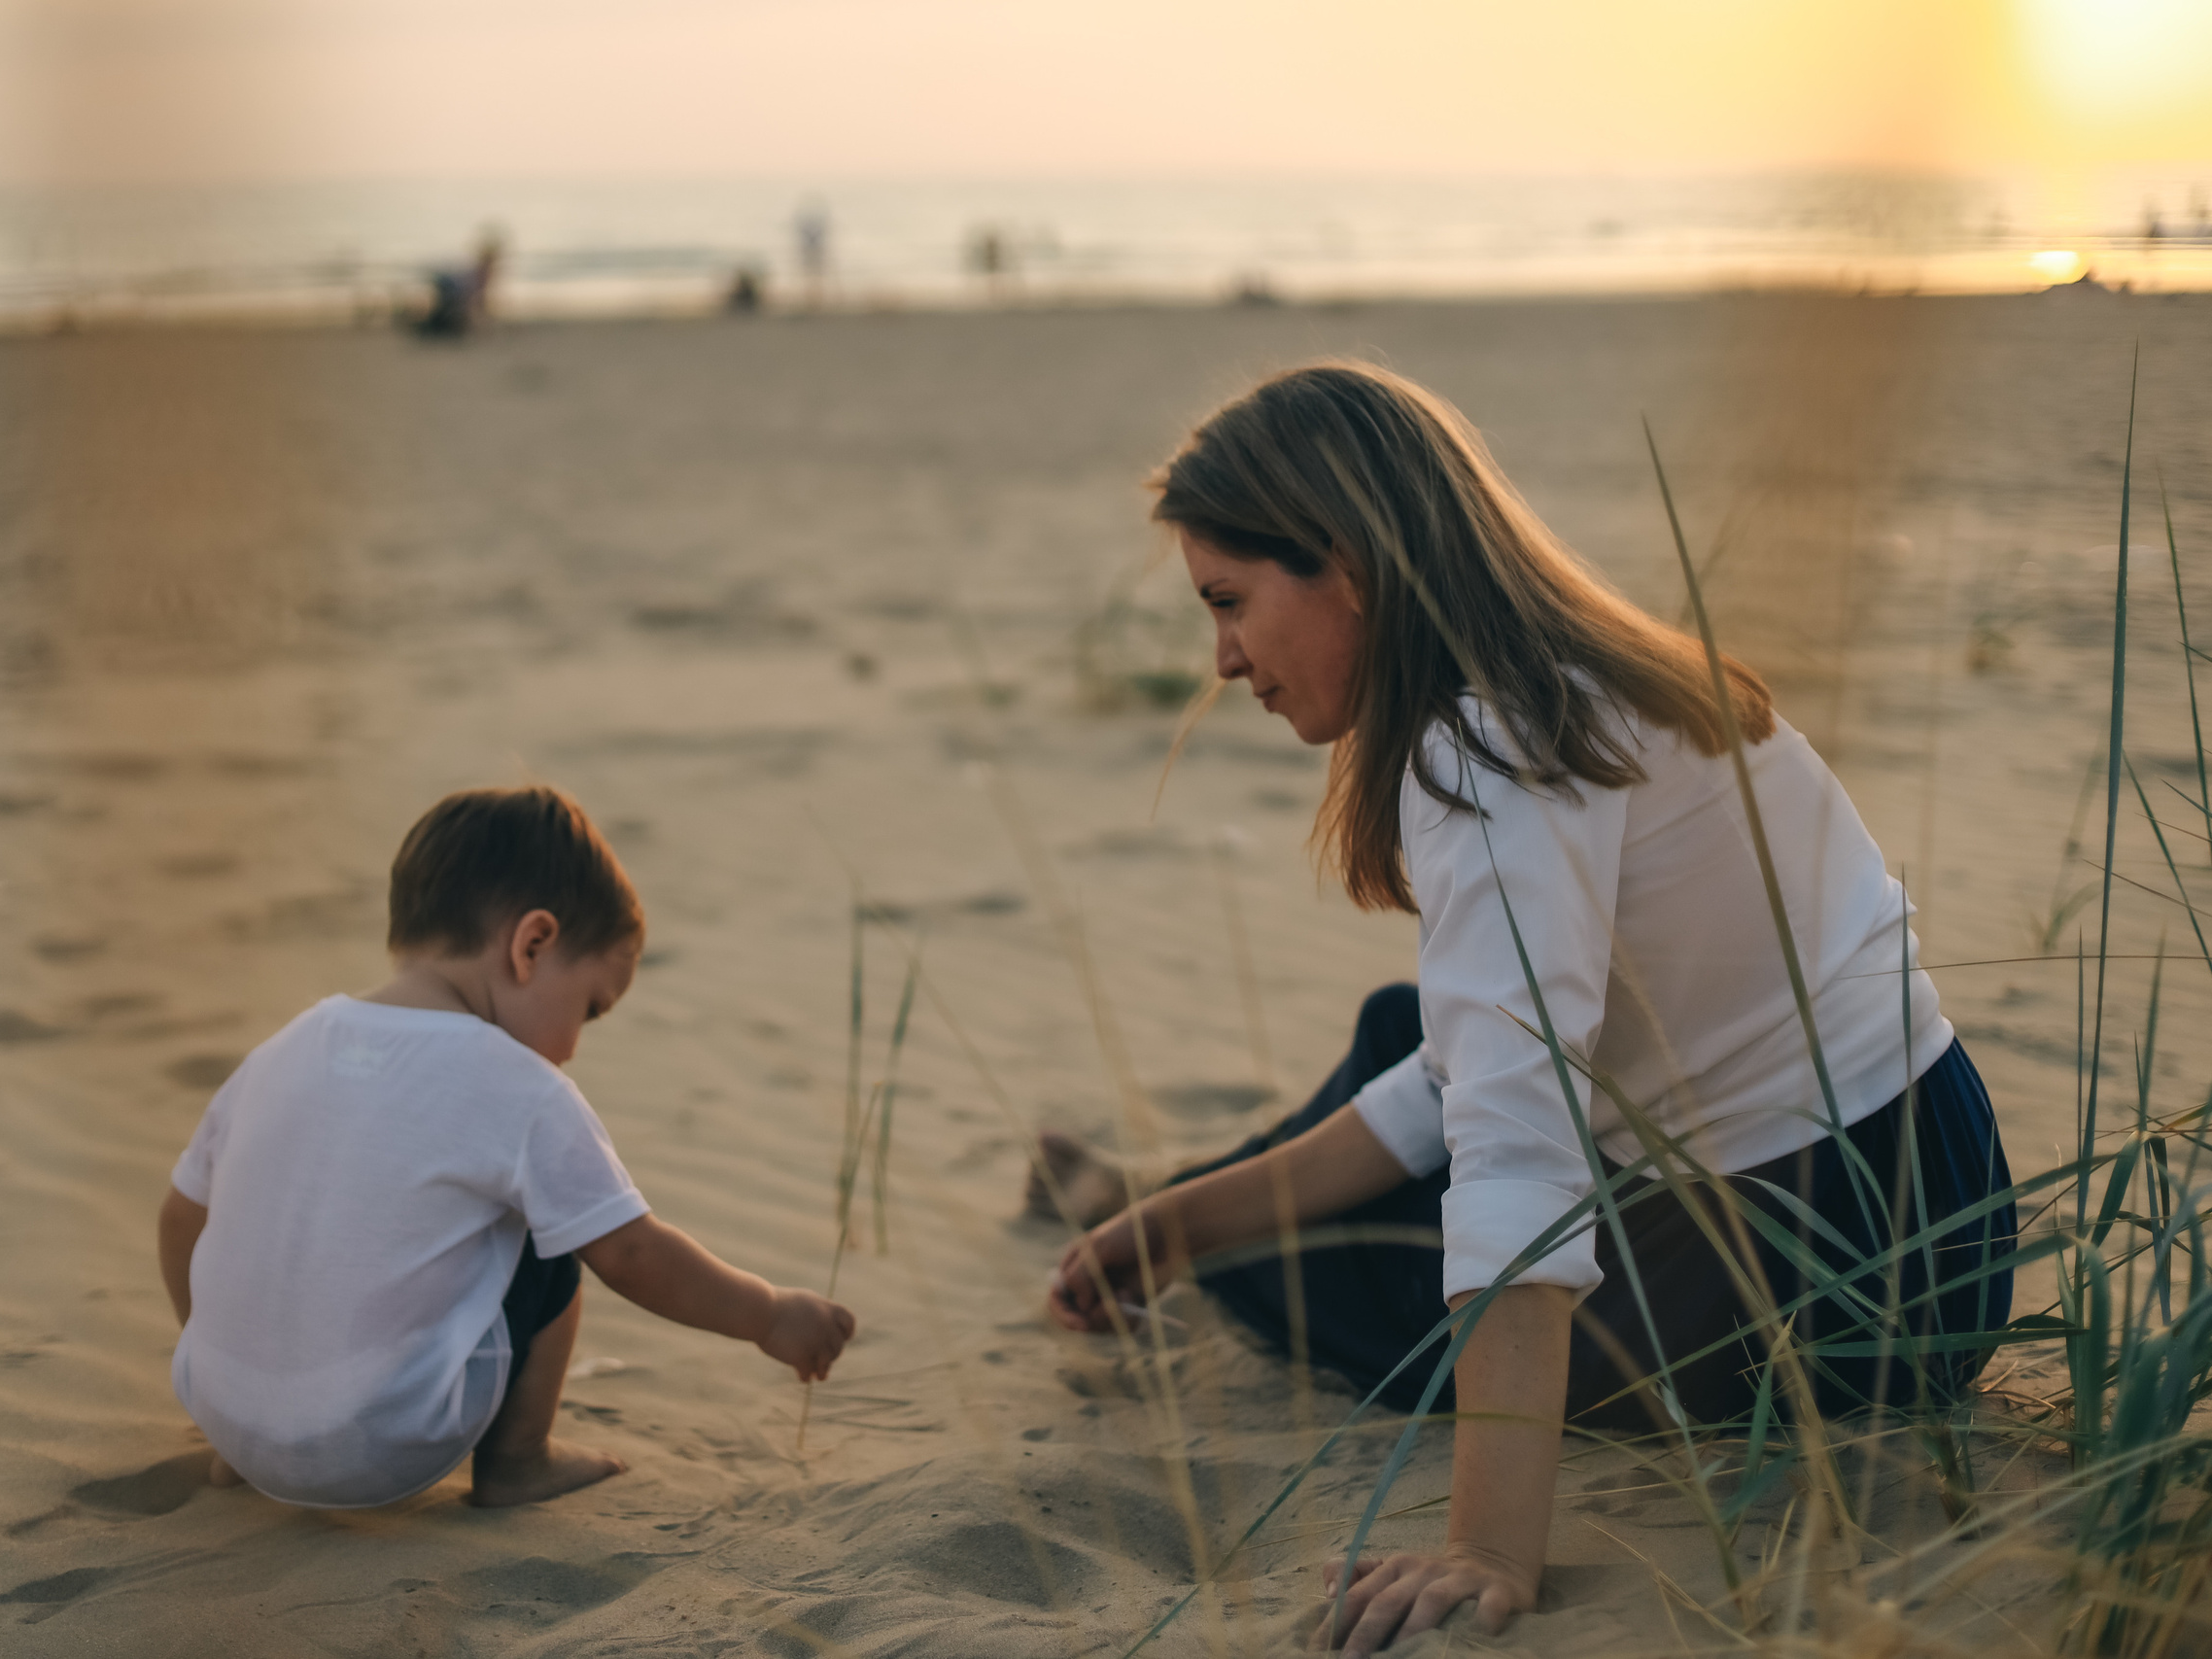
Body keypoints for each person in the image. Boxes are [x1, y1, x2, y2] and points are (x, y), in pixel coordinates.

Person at [1037, 363, 2016, 1653]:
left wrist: (1488, 1546)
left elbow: (1514, 1145)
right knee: (1410, 1026)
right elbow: (1466, 1067)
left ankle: (1176, 1225)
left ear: (1345, 562)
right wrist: (1180, 1214)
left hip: (1808, 1283)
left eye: (1230, 602)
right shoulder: (1587, 680)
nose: (1223, 658)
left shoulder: (1487, 754)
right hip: (1939, 1203)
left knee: (1332, 1272)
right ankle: (1155, 1204)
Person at [157, 786, 855, 1509]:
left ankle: (245, 1415)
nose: (576, 1047)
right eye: (589, 1006)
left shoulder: (282, 1048)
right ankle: (518, 1458)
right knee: (555, 1228)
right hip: (380, 1442)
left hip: (232, 1429)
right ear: (532, 945)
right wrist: (769, 1313)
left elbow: (180, 1219)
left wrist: (231, 1386)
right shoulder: (519, 1086)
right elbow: (633, 1253)